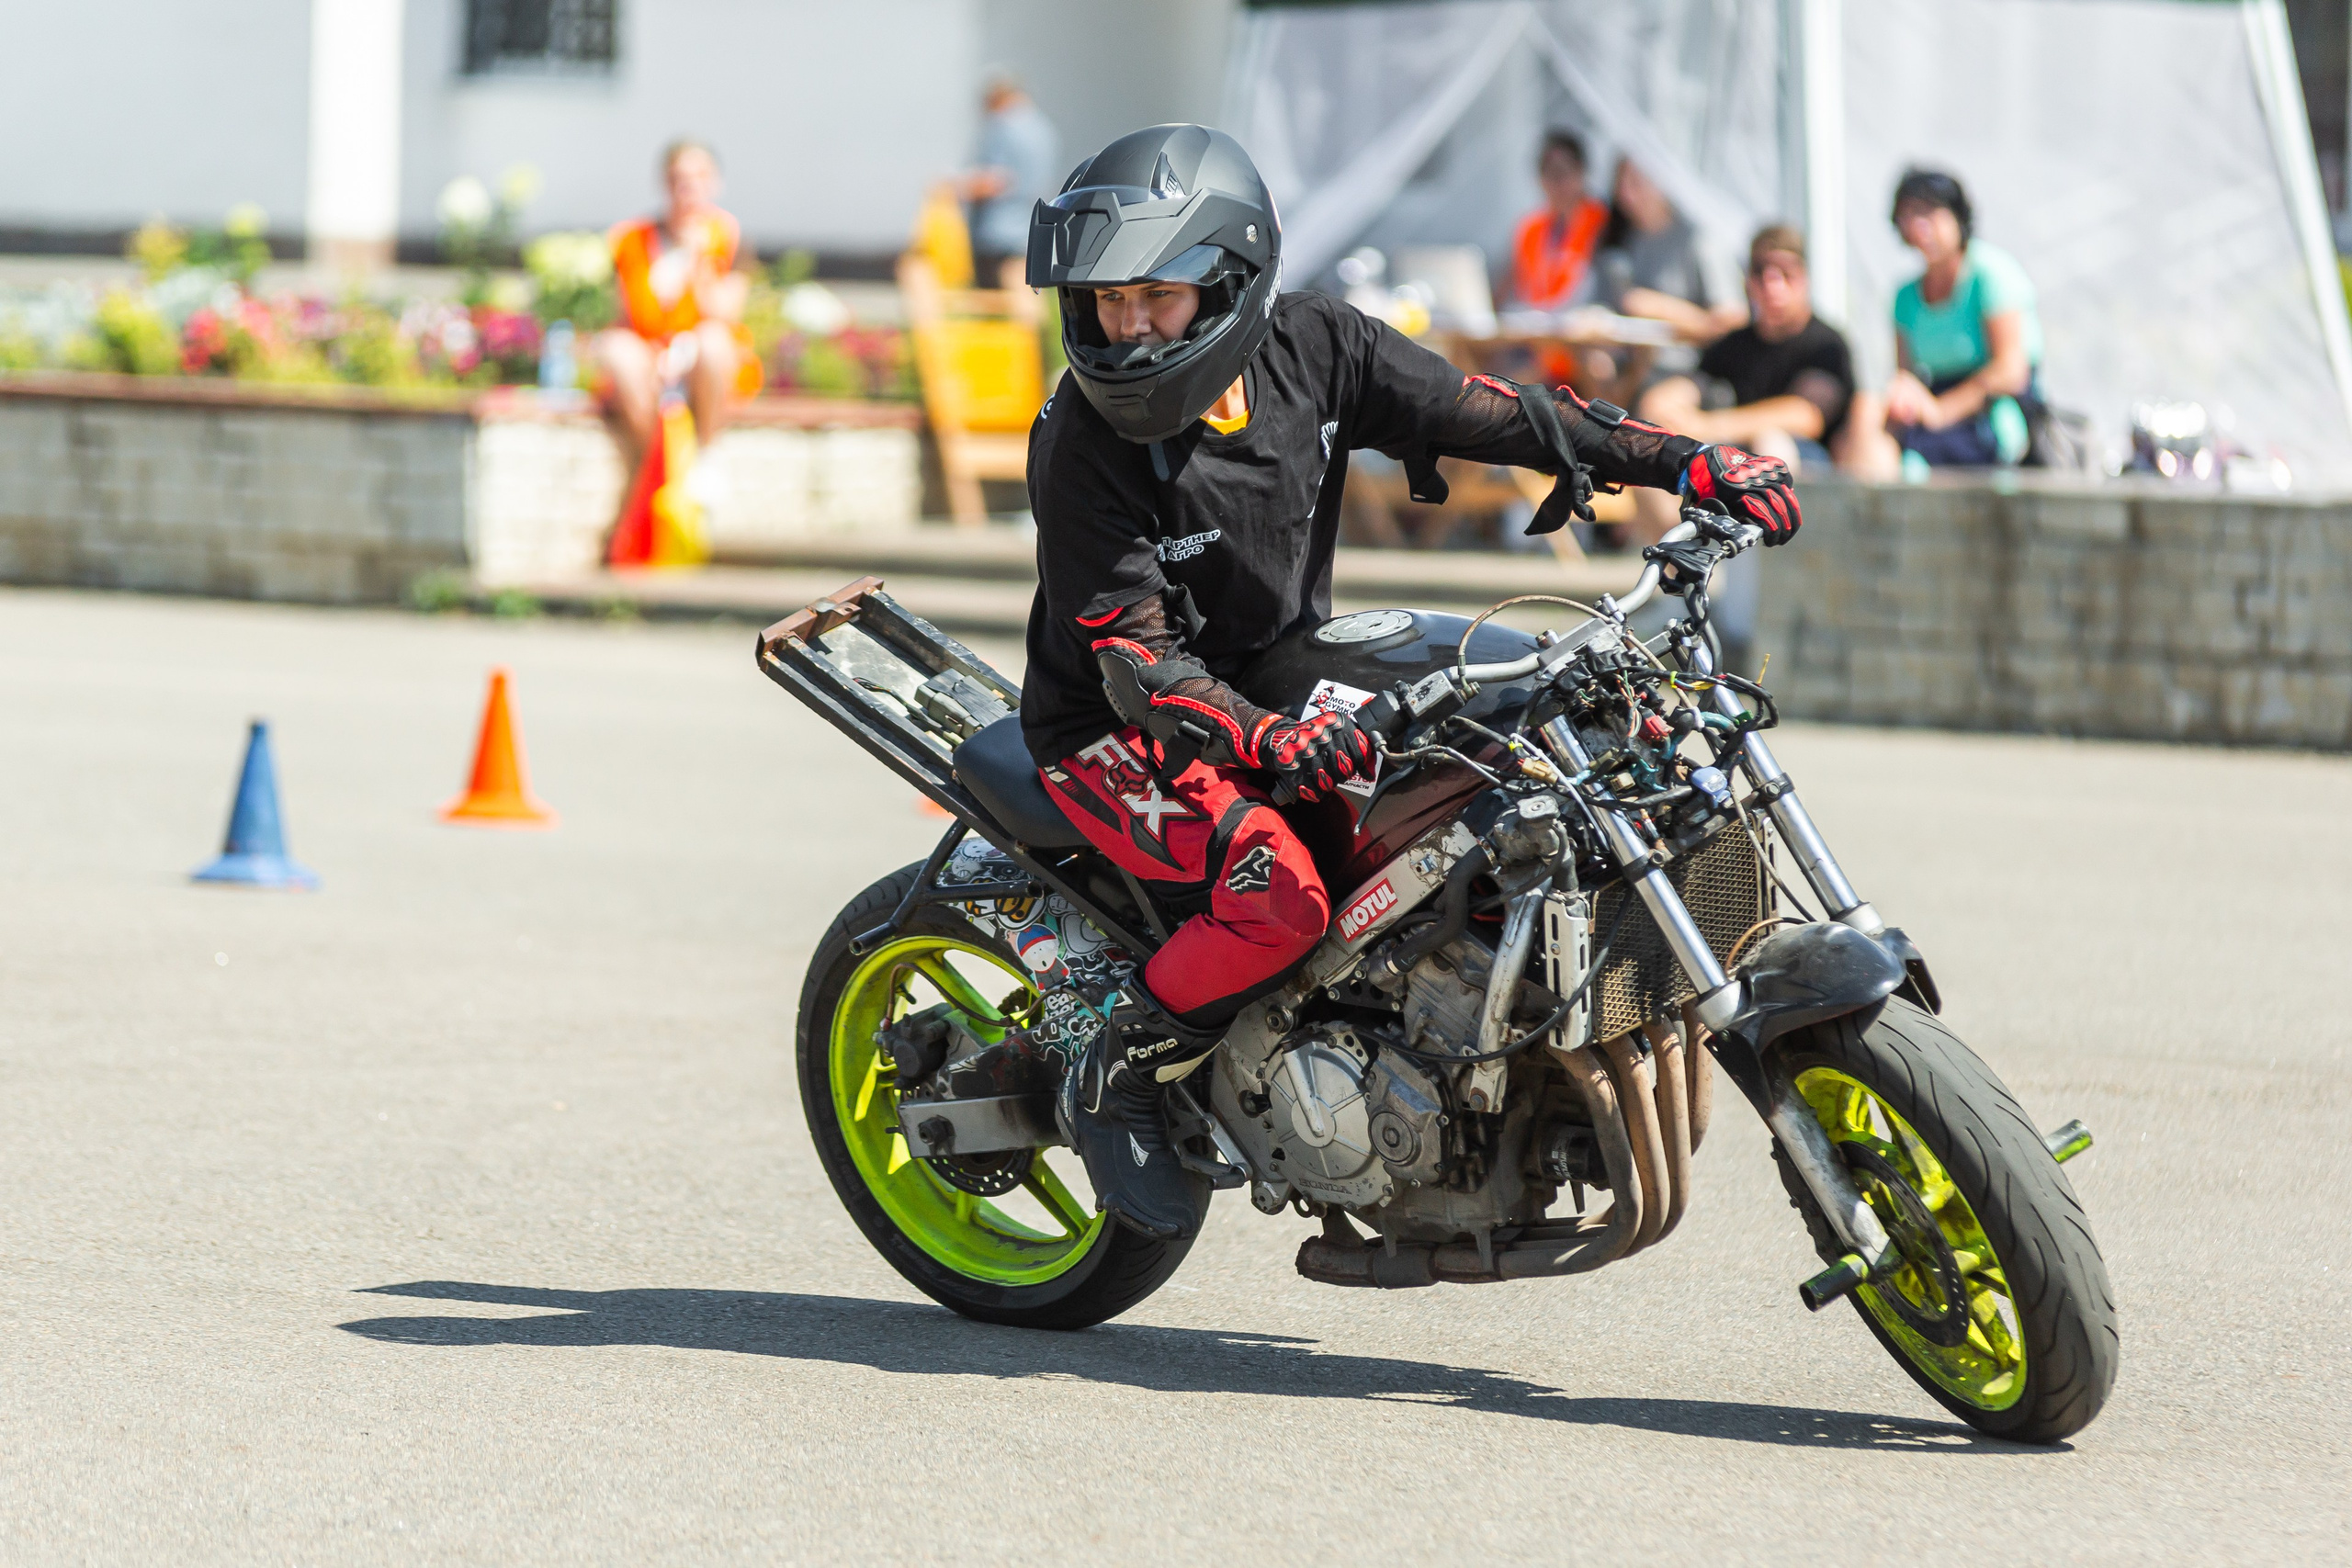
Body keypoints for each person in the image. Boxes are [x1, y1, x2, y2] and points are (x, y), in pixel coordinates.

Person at [944, 124, 1802, 1242]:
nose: (1124, 326)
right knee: (1277, 899)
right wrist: (1260, 741)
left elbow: (1494, 414)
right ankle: (1121, 1066)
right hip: (1114, 732)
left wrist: (1685, 462)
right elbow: (1140, 663)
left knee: (1491, 780)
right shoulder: (1080, 443)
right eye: (1106, 301)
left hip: (1282, 677)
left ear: (1229, 282)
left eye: (1154, 295)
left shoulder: (1318, 348)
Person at [1630, 223, 1860, 543]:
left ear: (1804, 279)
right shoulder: (1733, 344)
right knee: (1649, 447)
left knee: (1770, 448)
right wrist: (1662, 405)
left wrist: (1710, 425)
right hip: (1734, 464)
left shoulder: (1825, 343)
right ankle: (1675, 576)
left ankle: (1768, 576)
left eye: (1785, 273)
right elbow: (1692, 386)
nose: (1772, 285)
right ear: (1748, 281)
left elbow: (1807, 416)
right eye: (1762, 273)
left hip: (1813, 475)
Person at [1849, 167, 2043, 471]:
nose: (1919, 226)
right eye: (1909, 215)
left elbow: (2010, 372)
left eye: (1929, 212)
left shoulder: (1991, 274)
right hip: (1933, 410)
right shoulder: (1905, 297)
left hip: (1992, 413)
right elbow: (1906, 375)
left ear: (1957, 216)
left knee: (1915, 465)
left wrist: (1942, 410)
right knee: (1867, 416)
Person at [593, 141, 760, 475]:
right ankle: (657, 463)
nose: (688, 187)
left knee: (713, 340)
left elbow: (726, 313)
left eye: (699, 177)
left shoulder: (726, 237)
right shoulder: (633, 238)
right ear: (665, 182)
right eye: (679, 178)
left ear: (714, 183)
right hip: (651, 350)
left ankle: (704, 455)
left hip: (703, 357)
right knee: (616, 349)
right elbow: (627, 311)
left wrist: (698, 263)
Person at [1593, 158, 1741, 344]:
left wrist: (1658, 309)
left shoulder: (1702, 240)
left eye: (1636, 183)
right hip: (1633, 366)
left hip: (1687, 367)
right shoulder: (1625, 240)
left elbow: (1732, 321)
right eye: (1620, 184)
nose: (1627, 195)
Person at [957, 71, 1059, 291]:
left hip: (998, 233)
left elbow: (995, 180)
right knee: (1025, 294)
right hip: (1030, 227)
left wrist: (955, 187)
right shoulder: (1042, 128)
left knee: (998, 307)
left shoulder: (1003, 126)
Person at [1510, 130, 1609, 310]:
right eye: (1548, 172)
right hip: (1538, 328)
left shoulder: (1603, 222)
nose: (1557, 180)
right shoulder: (1531, 227)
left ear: (1582, 172)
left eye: (1565, 171)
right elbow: (1514, 283)